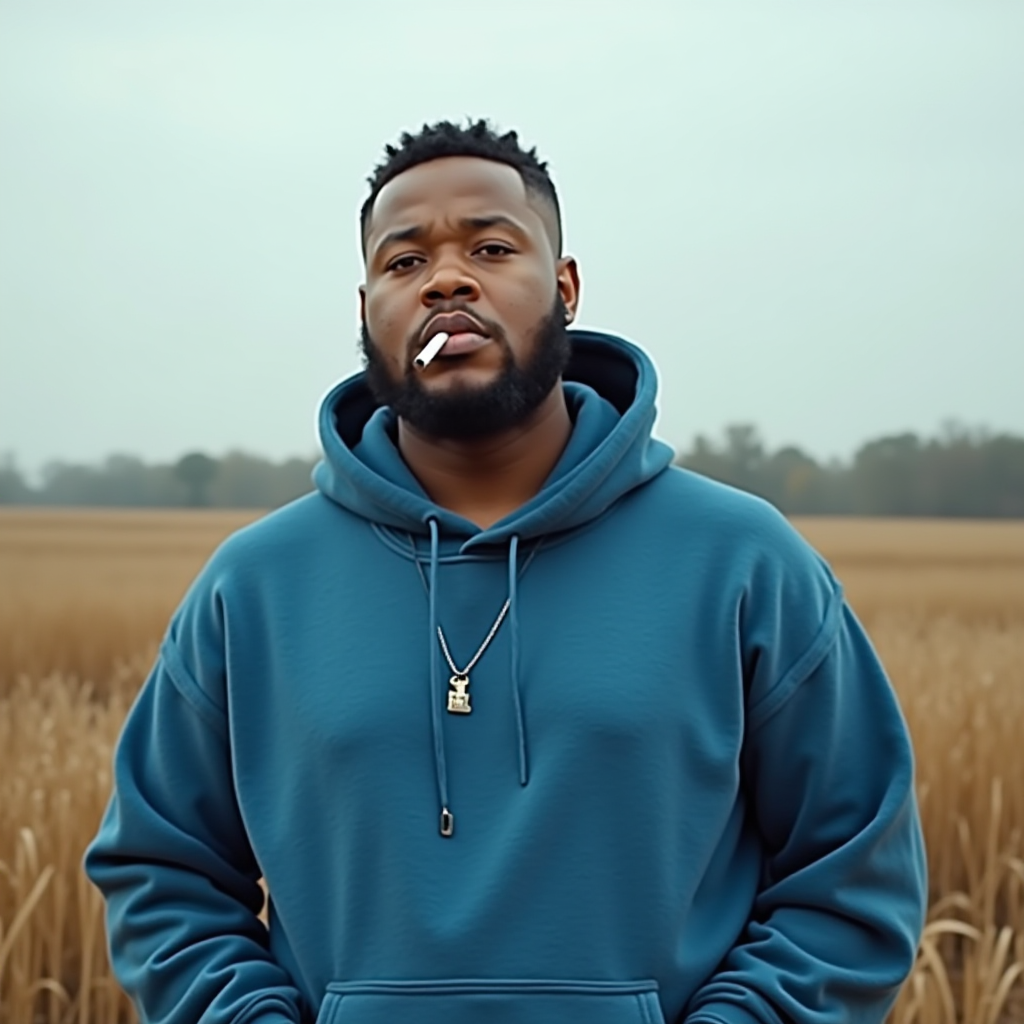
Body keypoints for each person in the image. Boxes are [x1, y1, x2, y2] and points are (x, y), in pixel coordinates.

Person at [86, 119, 927, 1024]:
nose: (448, 279)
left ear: (564, 288)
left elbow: (854, 870)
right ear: (366, 307)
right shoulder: (252, 586)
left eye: (491, 247)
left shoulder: (742, 559)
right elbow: (162, 870)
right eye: (405, 264)